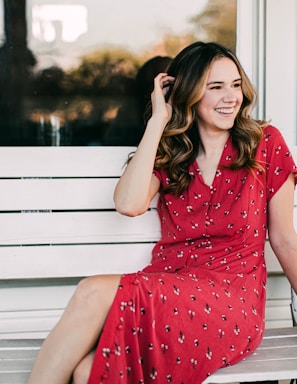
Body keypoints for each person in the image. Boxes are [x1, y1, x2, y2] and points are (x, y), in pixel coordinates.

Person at [27, 41, 297, 384]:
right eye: (215, 88)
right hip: (170, 287)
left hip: (231, 301)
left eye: (235, 85)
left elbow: (286, 240)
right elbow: (128, 203)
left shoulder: (265, 143)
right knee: (86, 372)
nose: (231, 97)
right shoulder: (173, 151)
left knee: (93, 291)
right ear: (188, 95)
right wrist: (158, 121)